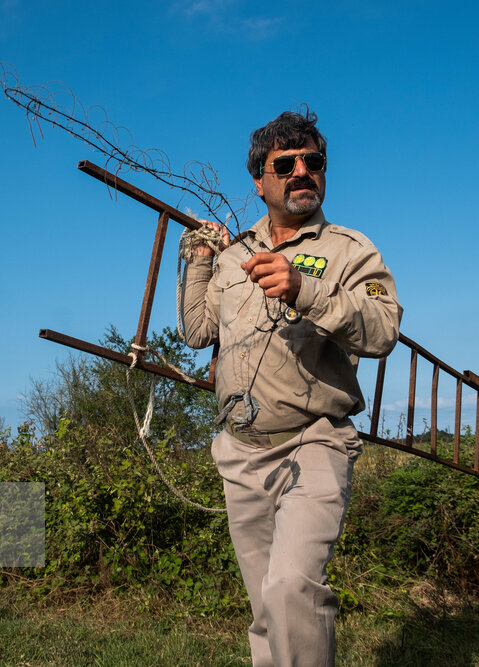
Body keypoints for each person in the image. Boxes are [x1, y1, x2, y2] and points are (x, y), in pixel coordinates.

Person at [180, 109, 402, 666]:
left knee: (291, 591)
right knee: (265, 608)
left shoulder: (349, 250)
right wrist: (202, 263)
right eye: (287, 163)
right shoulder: (236, 256)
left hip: (315, 443)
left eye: (314, 161)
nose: (303, 171)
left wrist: (305, 288)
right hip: (241, 453)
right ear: (261, 180)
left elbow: (383, 331)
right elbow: (196, 330)